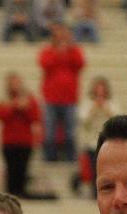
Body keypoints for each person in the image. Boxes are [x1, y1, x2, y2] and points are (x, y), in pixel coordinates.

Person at [38, 24, 85, 162]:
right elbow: (45, 64)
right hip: (51, 98)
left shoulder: (75, 51)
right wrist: (58, 52)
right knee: (49, 131)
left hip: (70, 97)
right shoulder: (47, 51)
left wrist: (69, 50)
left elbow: (80, 63)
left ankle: (70, 157)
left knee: (70, 131)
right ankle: (50, 157)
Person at [0, 72, 41, 198]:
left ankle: (21, 191)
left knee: (22, 168)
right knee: (11, 168)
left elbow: (35, 116)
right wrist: (15, 106)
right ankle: (10, 193)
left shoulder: (29, 98)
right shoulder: (3, 99)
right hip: (8, 140)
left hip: (25, 140)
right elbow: (0, 116)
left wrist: (25, 108)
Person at [78, 77, 116, 199]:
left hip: (108, 143)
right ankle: (95, 193)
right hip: (92, 143)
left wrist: (105, 109)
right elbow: (84, 121)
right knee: (93, 170)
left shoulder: (112, 104)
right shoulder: (87, 104)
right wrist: (94, 109)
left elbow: (116, 120)